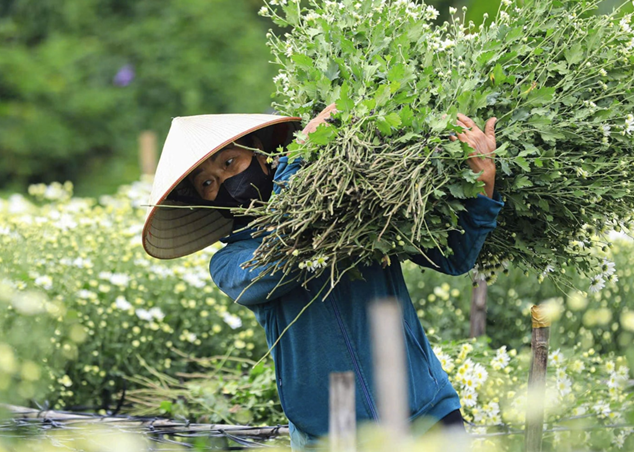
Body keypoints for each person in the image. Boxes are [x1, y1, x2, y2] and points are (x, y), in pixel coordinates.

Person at [141, 107, 503, 450]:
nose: (225, 181)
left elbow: (452, 257)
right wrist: (296, 170)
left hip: (424, 414)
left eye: (230, 162)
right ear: (208, 202)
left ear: (263, 154)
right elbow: (283, 258)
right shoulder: (230, 262)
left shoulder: (350, 204)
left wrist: (483, 185)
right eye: (208, 182)